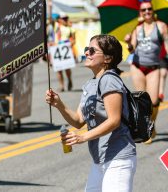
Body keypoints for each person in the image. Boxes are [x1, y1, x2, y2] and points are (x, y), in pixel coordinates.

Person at [46, 34, 136, 191]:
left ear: (107, 58)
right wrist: (59, 104)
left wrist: (82, 137)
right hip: (99, 159)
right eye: (87, 49)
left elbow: (114, 120)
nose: (87, 52)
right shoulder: (90, 84)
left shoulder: (110, 79)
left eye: (92, 50)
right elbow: (78, 120)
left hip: (118, 158)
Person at [124, 0, 167, 143]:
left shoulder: (161, 26)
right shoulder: (138, 29)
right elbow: (132, 49)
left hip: (153, 67)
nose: (147, 12)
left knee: (154, 101)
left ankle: (151, 124)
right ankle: (146, 131)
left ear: (152, 10)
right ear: (140, 13)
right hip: (138, 66)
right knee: (142, 101)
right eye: (143, 10)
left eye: (149, 9)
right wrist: (129, 42)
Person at [54, 12, 75, 91]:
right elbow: (50, 19)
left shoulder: (71, 28)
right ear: (59, 19)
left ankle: (69, 80)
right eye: (63, 18)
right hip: (57, 49)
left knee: (67, 68)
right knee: (58, 69)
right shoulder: (57, 26)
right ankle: (61, 85)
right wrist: (50, 7)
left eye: (66, 18)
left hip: (66, 49)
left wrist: (70, 44)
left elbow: (74, 40)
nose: (65, 20)